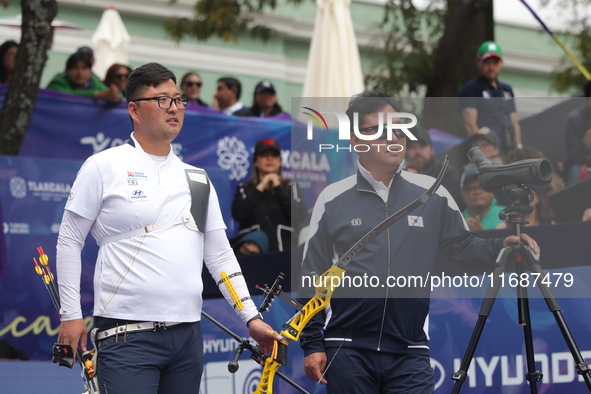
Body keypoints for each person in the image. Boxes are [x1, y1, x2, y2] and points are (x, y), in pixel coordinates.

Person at [55, 62, 281, 394]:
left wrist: (251, 317)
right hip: (126, 335)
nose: (174, 107)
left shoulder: (197, 180)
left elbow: (219, 256)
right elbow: (69, 240)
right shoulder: (103, 166)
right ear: (134, 109)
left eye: (178, 99)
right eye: (162, 100)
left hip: (187, 337)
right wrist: (71, 314)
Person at [299, 91, 539, 394]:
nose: (395, 138)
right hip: (347, 349)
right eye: (382, 131)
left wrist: (501, 246)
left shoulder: (433, 192)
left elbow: (462, 245)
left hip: (410, 350)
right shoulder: (332, 199)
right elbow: (312, 276)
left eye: (399, 129)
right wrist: (312, 343)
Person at [232, 138, 309, 252]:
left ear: (280, 161)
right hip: (252, 254)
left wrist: (278, 188)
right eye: (264, 155)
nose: (270, 159)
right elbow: (239, 214)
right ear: (255, 162)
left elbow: (300, 215)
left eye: (274, 155)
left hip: (285, 253)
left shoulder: (291, 187)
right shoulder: (244, 188)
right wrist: (260, 187)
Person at [459, 41, 523, 154]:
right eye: (486, 62)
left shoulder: (507, 90)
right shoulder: (471, 89)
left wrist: (517, 148)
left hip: (508, 150)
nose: (491, 67)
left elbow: (514, 122)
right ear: (478, 63)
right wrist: (481, 153)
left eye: (495, 62)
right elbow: (470, 124)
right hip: (487, 152)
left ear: (501, 63)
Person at [496, 147, 557, 229]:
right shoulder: (502, 227)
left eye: (529, 189)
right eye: (520, 188)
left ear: (539, 197)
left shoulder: (552, 226)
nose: (524, 194)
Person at [405, 127, 461, 207]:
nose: (417, 152)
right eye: (412, 147)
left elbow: (445, 208)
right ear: (405, 152)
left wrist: (418, 181)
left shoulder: (447, 173)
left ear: (432, 150)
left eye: (422, 146)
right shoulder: (399, 175)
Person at [46, 52, 121, 103]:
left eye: (84, 68)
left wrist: (115, 95)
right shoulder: (58, 82)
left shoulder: (94, 82)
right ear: (66, 70)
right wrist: (97, 94)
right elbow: (68, 95)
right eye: (75, 68)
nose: (80, 72)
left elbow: (116, 96)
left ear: (91, 71)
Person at [563, 80, 591, 186]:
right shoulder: (575, 119)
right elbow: (574, 156)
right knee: (575, 171)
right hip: (581, 163)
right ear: (587, 101)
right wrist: (586, 141)